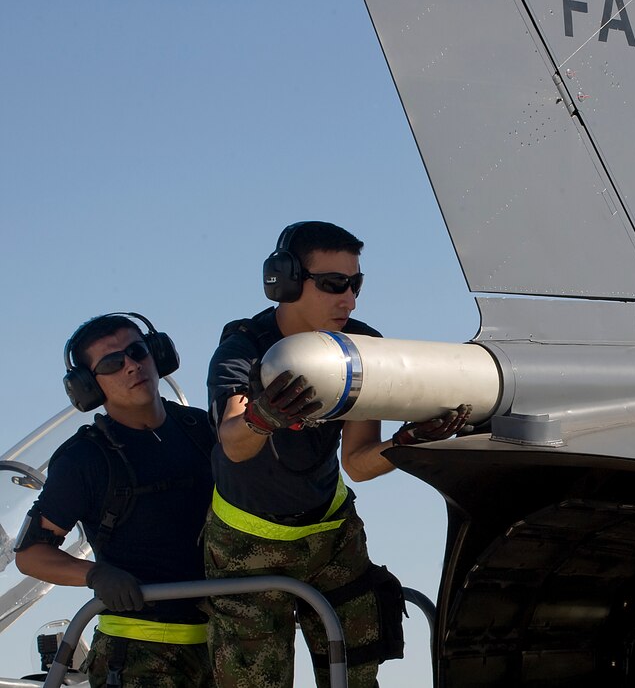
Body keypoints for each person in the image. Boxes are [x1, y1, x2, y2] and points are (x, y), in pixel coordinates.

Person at [204, 221, 469, 688]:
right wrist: (263, 419)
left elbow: (359, 464)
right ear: (284, 283)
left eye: (355, 284)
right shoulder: (243, 350)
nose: (349, 299)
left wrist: (405, 443)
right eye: (333, 285)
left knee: (357, 677)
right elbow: (233, 442)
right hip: (247, 548)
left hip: (331, 538)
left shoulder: (361, 347)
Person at [14, 312, 215, 688]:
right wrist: (94, 575)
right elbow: (29, 555)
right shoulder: (83, 460)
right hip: (138, 654)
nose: (132, 366)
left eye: (138, 351)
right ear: (89, 386)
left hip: (226, 647)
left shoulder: (203, 430)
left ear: (158, 355)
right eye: (112, 362)